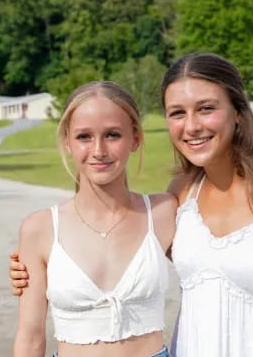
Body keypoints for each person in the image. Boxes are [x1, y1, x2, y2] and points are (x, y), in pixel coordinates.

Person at [10, 53, 253, 357]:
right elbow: (119, 251)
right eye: (178, 113)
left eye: (206, 108)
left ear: (239, 113)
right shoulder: (180, 194)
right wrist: (33, 267)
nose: (191, 126)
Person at [12, 81, 176, 357]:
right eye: (84, 137)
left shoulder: (163, 213)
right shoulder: (40, 229)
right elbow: (30, 338)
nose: (98, 150)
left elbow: (216, 270)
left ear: (135, 138)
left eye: (112, 135)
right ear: (67, 141)